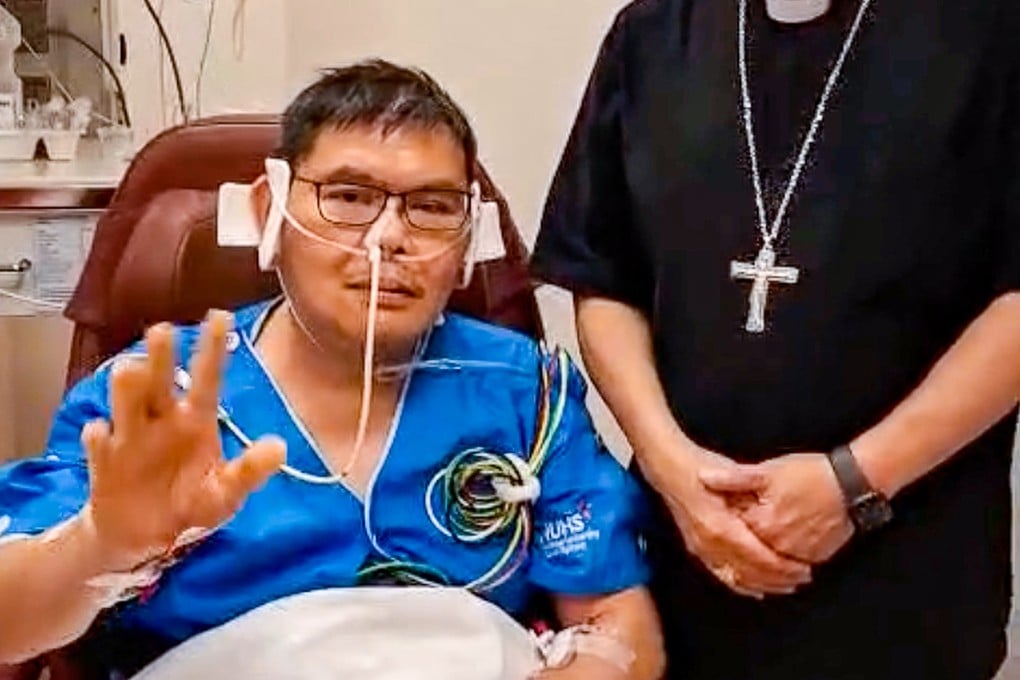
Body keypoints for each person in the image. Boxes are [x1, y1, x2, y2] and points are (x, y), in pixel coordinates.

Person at [0, 60, 664, 680]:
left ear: (467, 242)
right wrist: (100, 546)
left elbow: (617, 622)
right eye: (348, 196)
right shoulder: (154, 398)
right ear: (271, 211)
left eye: (432, 207)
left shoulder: (527, 396)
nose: (388, 239)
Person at [530, 0, 1020, 678]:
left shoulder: (991, 34)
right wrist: (675, 472)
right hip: (688, 560)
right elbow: (602, 279)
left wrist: (856, 481)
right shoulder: (651, 35)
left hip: (908, 577)